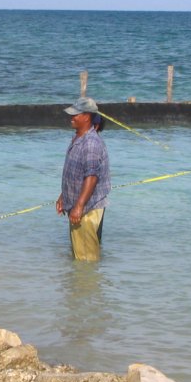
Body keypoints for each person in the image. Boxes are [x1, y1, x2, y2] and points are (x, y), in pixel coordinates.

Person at [56, 96, 111, 261]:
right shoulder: (78, 138)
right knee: (79, 257)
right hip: (77, 207)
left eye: (75, 115)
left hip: (87, 209)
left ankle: (88, 286)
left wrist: (79, 206)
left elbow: (91, 177)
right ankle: (78, 286)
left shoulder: (91, 143)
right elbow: (73, 173)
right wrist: (63, 197)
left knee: (87, 260)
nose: (71, 118)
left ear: (87, 116)